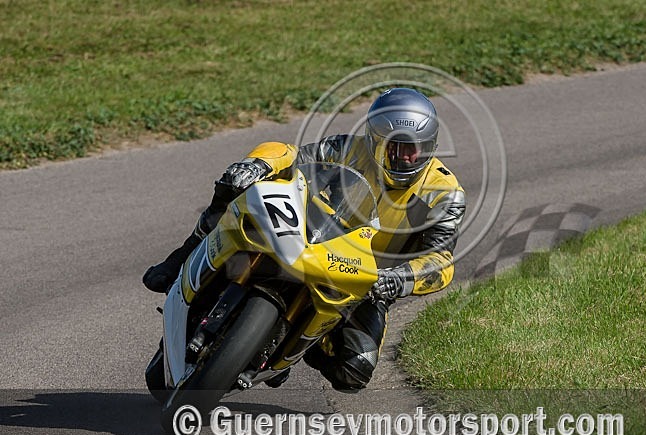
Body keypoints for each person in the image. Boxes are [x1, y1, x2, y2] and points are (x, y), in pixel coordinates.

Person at [143, 87, 466, 392]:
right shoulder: (348, 149)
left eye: (417, 149)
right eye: (397, 148)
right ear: (374, 141)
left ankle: (299, 345)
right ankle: (181, 259)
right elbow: (293, 157)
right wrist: (259, 164)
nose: (407, 159)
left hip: (368, 279)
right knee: (234, 188)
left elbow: (441, 261)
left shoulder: (445, 195)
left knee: (353, 372)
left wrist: (401, 279)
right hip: (312, 232)